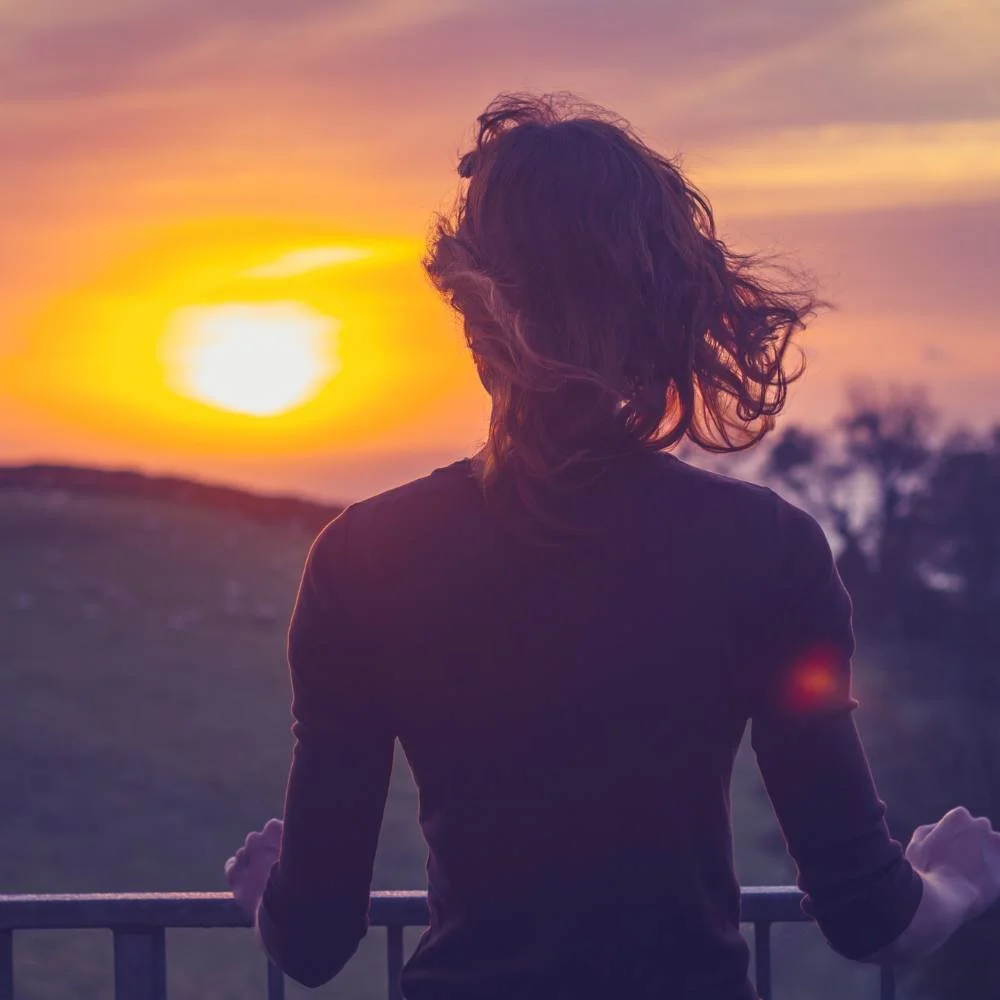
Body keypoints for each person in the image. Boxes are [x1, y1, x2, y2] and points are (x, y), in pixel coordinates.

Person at [223, 93, 1000, 999]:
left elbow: (312, 943)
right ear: (667, 309)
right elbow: (874, 919)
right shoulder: (769, 553)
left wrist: (264, 895)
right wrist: (957, 879)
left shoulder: (363, 558)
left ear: (475, 321)